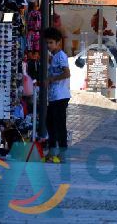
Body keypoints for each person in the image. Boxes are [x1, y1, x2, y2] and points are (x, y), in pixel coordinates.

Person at [44, 27, 70, 163]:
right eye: (47, 43)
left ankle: (62, 151)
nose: (48, 45)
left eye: (51, 43)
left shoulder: (61, 56)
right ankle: (53, 148)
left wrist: (51, 79)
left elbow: (66, 73)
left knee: (59, 124)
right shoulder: (53, 57)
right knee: (50, 122)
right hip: (54, 96)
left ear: (58, 42)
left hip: (61, 95)